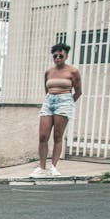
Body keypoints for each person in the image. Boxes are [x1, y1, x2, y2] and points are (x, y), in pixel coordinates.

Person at [30, 42, 83, 177]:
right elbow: (46, 89)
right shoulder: (49, 72)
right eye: (55, 55)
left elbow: (78, 91)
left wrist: (67, 103)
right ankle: (42, 168)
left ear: (66, 56)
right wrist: (51, 100)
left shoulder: (73, 71)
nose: (57, 58)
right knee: (43, 137)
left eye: (60, 55)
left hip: (64, 101)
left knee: (57, 136)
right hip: (49, 102)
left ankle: (53, 167)